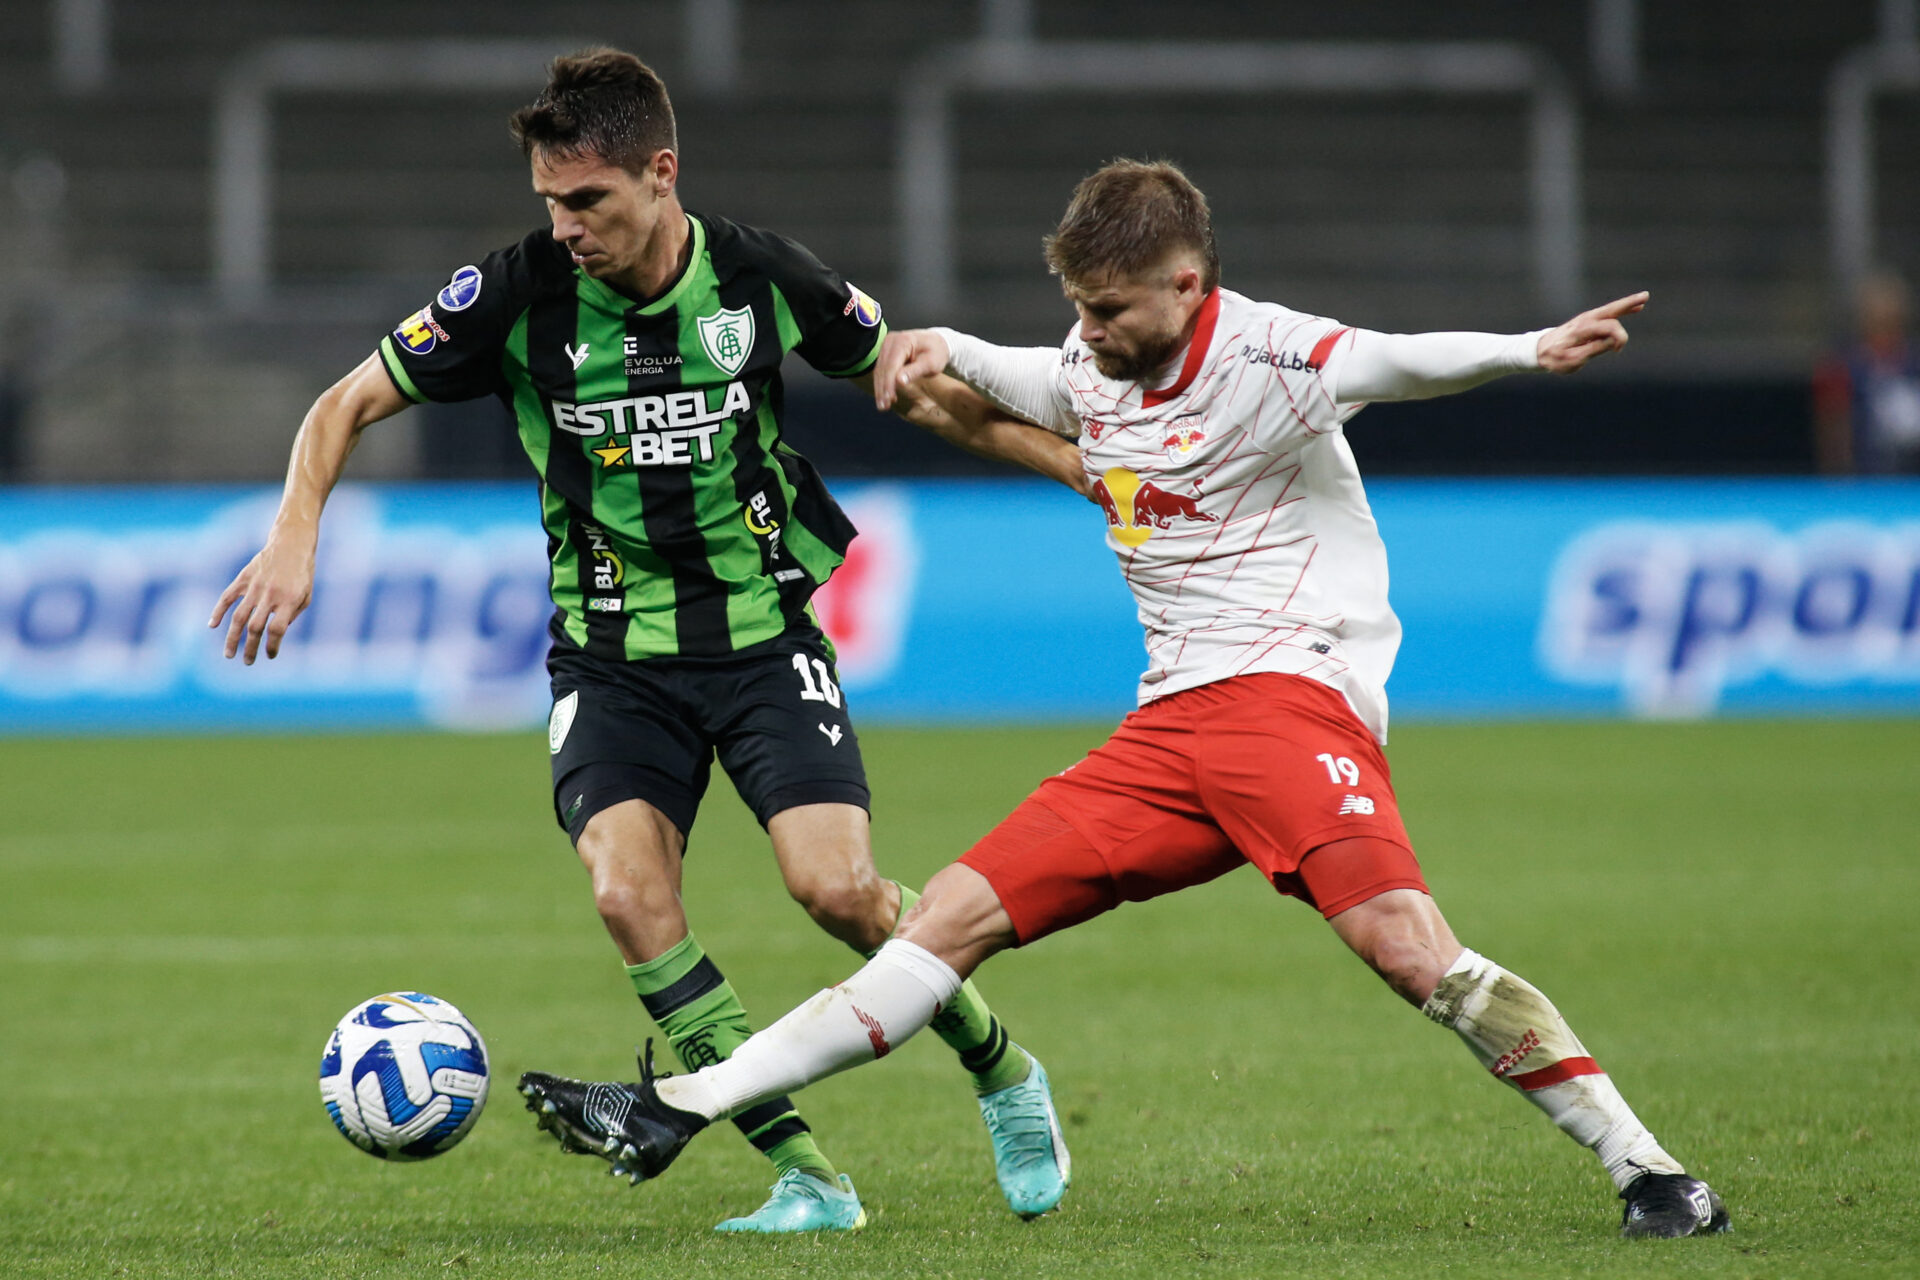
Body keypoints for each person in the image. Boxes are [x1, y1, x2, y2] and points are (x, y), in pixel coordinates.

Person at [516, 159, 1733, 1241]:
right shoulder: (1090, 365)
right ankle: (680, 1103)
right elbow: (1011, 371)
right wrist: (928, 345)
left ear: (1189, 284)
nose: (1085, 334)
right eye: (1076, 307)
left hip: (1287, 703)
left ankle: (1651, 1168)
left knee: (1410, 951)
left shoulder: (1272, 355)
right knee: (942, 918)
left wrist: (1532, 348)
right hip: (1165, 735)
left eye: (1107, 309)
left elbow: (1397, 361)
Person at [209, 48, 1082, 1233]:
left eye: (588, 202)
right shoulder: (514, 296)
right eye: (549, 203)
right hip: (611, 656)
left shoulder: (764, 277)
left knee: (837, 890)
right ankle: (808, 1176)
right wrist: (294, 531)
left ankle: (1000, 1067)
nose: (564, 227)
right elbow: (344, 400)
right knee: (629, 895)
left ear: (660, 174)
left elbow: (915, 385)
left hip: (763, 637)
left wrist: (1077, 468)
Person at [1814, 267, 1920, 474]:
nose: (1885, 326)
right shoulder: (1842, 364)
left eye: (1891, 319)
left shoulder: (1914, 362)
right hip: (1865, 476)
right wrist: (1839, 476)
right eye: (1878, 319)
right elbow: (1833, 424)